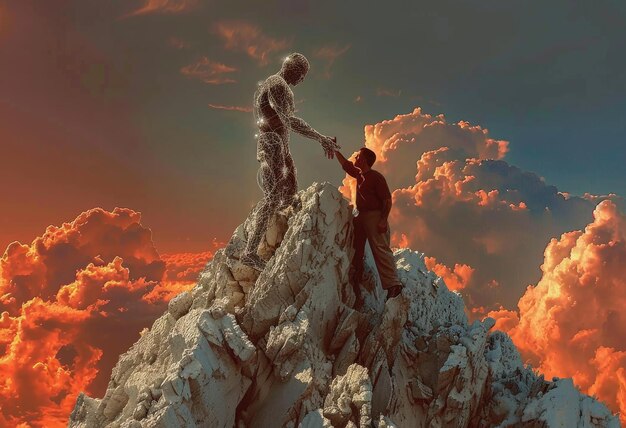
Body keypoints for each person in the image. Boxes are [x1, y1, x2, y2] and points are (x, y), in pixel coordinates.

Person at [241, 53, 340, 271]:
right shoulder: (276, 85)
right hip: (273, 144)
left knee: (290, 195)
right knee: (274, 196)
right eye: (301, 74)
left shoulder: (279, 85)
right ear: (292, 69)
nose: (302, 80)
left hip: (279, 146)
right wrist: (320, 137)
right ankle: (250, 251)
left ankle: (284, 242)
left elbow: (284, 121)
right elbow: (289, 120)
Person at [334, 147, 403, 302]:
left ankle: (394, 285)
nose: (355, 158)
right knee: (355, 245)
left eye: (358, 156)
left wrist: (383, 219)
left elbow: (387, 200)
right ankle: (356, 276)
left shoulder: (376, 177)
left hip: (375, 216)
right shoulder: (360, 174)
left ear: (364, 160)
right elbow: (346, 165)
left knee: (380, 248)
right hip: (361, 215)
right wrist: (335, 149)